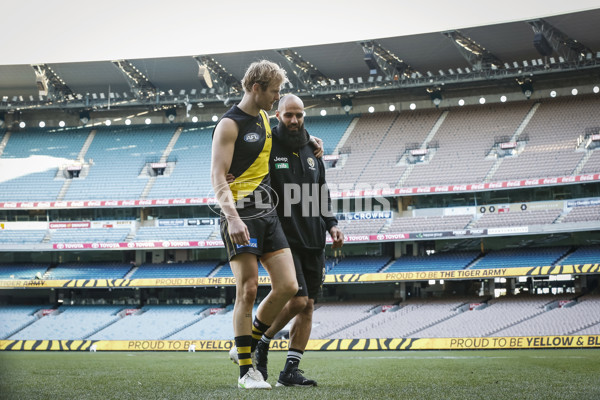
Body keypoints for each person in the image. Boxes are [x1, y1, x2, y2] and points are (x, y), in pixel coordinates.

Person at [228, 94, 343, 387]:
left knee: (308, 306)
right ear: (277, 115)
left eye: (299, 115)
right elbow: (245, 152)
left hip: (314, 238)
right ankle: (260, 340)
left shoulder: (313, 150)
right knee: (297, 298)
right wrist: (231, 175)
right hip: (284, 238)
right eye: (288, 115)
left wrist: (332, 225)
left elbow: (321, 193)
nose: (294, 120)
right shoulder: (268, 144)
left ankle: (290, 370)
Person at [211, 60, 299, 390]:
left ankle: (245, 343)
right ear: (256, 88)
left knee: (288, 286)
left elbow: (282, 142)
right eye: (274, 91)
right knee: (247, 289)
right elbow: (217, 174)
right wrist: (232, 218)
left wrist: (311, 140)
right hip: (239, 215)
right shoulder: (229, 125)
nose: (278, 98)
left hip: (267, 212)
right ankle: (247, 373)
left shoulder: (264, 117)